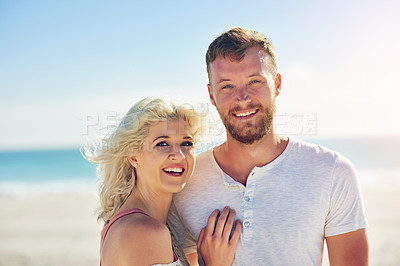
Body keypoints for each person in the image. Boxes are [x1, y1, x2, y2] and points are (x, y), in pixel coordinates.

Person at [168, 27, 369, 265]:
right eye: (227, 86)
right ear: (211, 95)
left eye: (255, 81)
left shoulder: (333, 172)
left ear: (277, 84)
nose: (242, 98)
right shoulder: (183, 183)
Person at [84, 98, 241, 266]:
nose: (179, 155)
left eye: (186, 143)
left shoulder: (133, 222)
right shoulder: (144, 232)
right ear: (133, 156)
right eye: (162, 144)